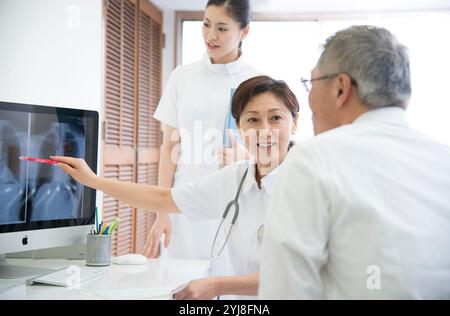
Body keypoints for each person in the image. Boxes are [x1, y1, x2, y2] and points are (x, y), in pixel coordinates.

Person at [52, 75, 299, 299]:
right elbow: (162, 198)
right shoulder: (235, 179)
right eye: (253, 120)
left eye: (275, 118)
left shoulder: (308, 185)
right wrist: (93, 181)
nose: (264, 131)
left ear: (295, 123)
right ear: (239, 127)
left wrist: (216, 286)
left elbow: (292, 276)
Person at [258, 25, 450, 299]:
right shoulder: (444, 160)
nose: (308, 99)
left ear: (341, 88)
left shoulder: (313, 159)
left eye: (311, 83)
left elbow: (285, 291)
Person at [148, 0, 259, 276]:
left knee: (232, 287)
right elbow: (170, 147)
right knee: (183, 285)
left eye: (222, 28)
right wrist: (162, 211)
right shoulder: (182, 78)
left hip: (237, 202)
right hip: (185, 203)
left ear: (244, 32)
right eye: (206, 24)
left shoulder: (256, 81)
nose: (211, 36)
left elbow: (271, 151)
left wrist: (246, 157)